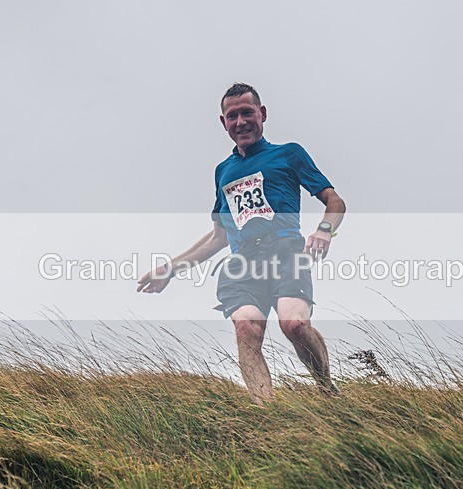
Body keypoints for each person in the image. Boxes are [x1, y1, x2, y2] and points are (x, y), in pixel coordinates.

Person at [137, 83, 346, 404]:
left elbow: (334, 201)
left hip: (286, 252)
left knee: (294, 324)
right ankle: (267, 413)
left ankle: (326, 389)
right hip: (242, 262)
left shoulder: (288, 154)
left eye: (247, 113)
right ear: (223, 123)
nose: (240, 122)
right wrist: (171, 268)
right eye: (232, 116)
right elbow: (219, 236)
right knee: (247, 329)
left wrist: (324, 230)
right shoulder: (224, 171)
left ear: (262, 114)